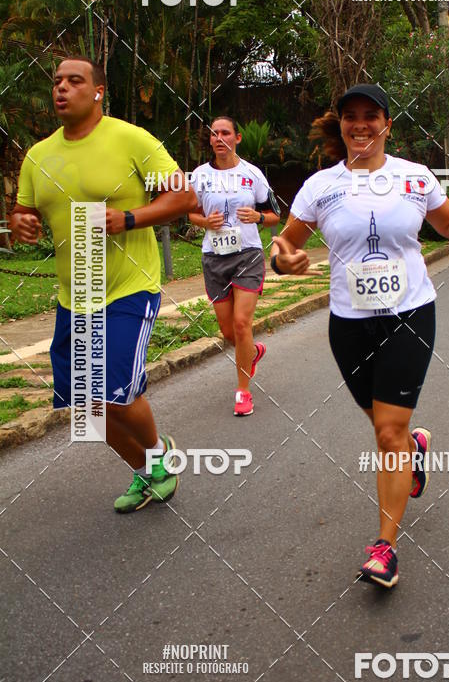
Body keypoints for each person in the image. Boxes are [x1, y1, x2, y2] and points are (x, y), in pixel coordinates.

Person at [270, 84, 449, 588]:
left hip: (410, 313)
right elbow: (285, 244)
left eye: (372, 116)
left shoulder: (413, 177)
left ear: (388, 124)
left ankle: (385, 547)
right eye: (351, 117)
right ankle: (413, 448)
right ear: (341, 125)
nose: (361, 125)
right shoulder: (320, 186)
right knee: (384, 425)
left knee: (387, 433)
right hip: (348, 323)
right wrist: (284, 260)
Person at [10, 56, 196, 513]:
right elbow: (25, 212)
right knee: (87, 414)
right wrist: (22, 224)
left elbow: (183, 196)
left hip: (128, 286)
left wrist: (129, 218)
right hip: (75, 294)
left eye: (75, 81)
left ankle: (157, 451)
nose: (62, 88)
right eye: (56, 81)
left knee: (113, 392)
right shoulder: (39, 156)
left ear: (97, 92)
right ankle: (150, 470)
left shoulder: (129, 140)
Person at [189, 117, 280, 416]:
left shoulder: (252, 174)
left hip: (247, 254)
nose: (219, 138)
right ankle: (252, 352)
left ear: (237, 138)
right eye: (214, 134)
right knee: (229, 331)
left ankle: (243, 392)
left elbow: (275, 214)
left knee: (242, 324)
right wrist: (205, 221)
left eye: (225, 133)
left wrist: (258, 218)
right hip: (214, 257)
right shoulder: (200, 175)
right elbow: (190, 213)